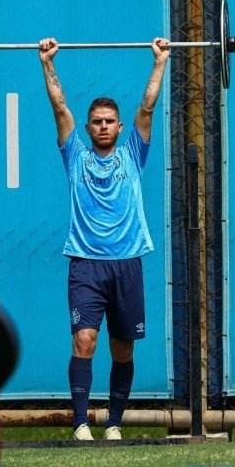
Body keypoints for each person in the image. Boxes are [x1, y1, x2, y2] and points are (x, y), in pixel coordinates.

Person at [38, 37, 169, 440]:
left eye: (110, 120)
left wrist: (159, 62)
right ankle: (80, 424)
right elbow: (60, 106)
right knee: (85, 339)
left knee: (123, 349)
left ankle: (113, 424)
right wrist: (48, 63)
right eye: (96, 121)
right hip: (86, 264)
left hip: (127, 262)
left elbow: (147, 107)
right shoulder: (74, 155)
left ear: (120, 127)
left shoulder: (133, 154)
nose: (103, 126)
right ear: (88, 126)